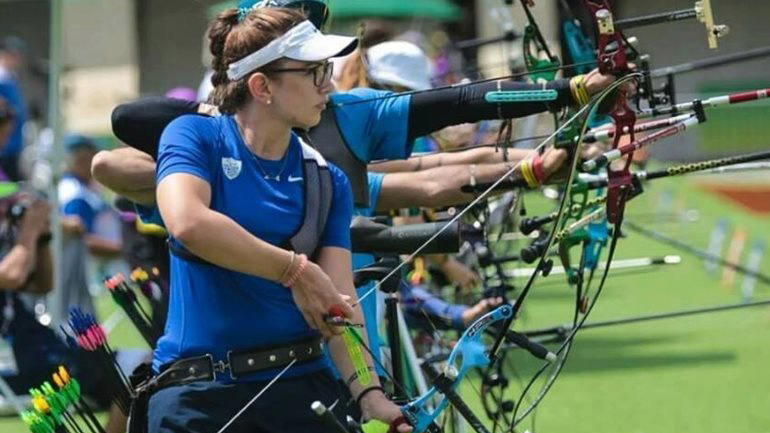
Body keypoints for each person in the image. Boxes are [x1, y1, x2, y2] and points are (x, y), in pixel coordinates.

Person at [145, 8, 409, 432]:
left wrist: (370, 393)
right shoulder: (194, 137)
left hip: (306, 391)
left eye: (328, 69)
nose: (329, 83)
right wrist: (294, 271)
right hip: (202, 396)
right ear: (262, 85)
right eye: (313, 72)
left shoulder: (327, 180)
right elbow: (187, 222)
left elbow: (340, 303)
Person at [56, 135, 122, 324]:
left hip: (95, 268)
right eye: (89, 157)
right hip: (88, 272)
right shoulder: (75, 194)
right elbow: (82, 238)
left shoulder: (82, 187)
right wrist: (123, 250)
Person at [0, 37, 27, 181]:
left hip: (13, 142)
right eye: (13, 54)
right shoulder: (1, 77)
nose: (17, 58)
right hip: (5, 146)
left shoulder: (10, 77)